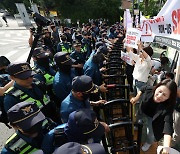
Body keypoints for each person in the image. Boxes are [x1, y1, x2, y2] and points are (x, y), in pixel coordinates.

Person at [130, 79, 177, 153]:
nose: (159, 96)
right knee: (138, 118)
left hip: (153, 119)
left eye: (164, 95)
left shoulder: (168, 106)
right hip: (143, 110)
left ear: (169, 97)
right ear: (156, 87)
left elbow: (168, 125)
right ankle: (136, 125)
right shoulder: (150, 89)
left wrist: (166, 148)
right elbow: (142, 89)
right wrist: (137, 97)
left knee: (151, 134)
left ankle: (148, 143)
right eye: (160, 91)